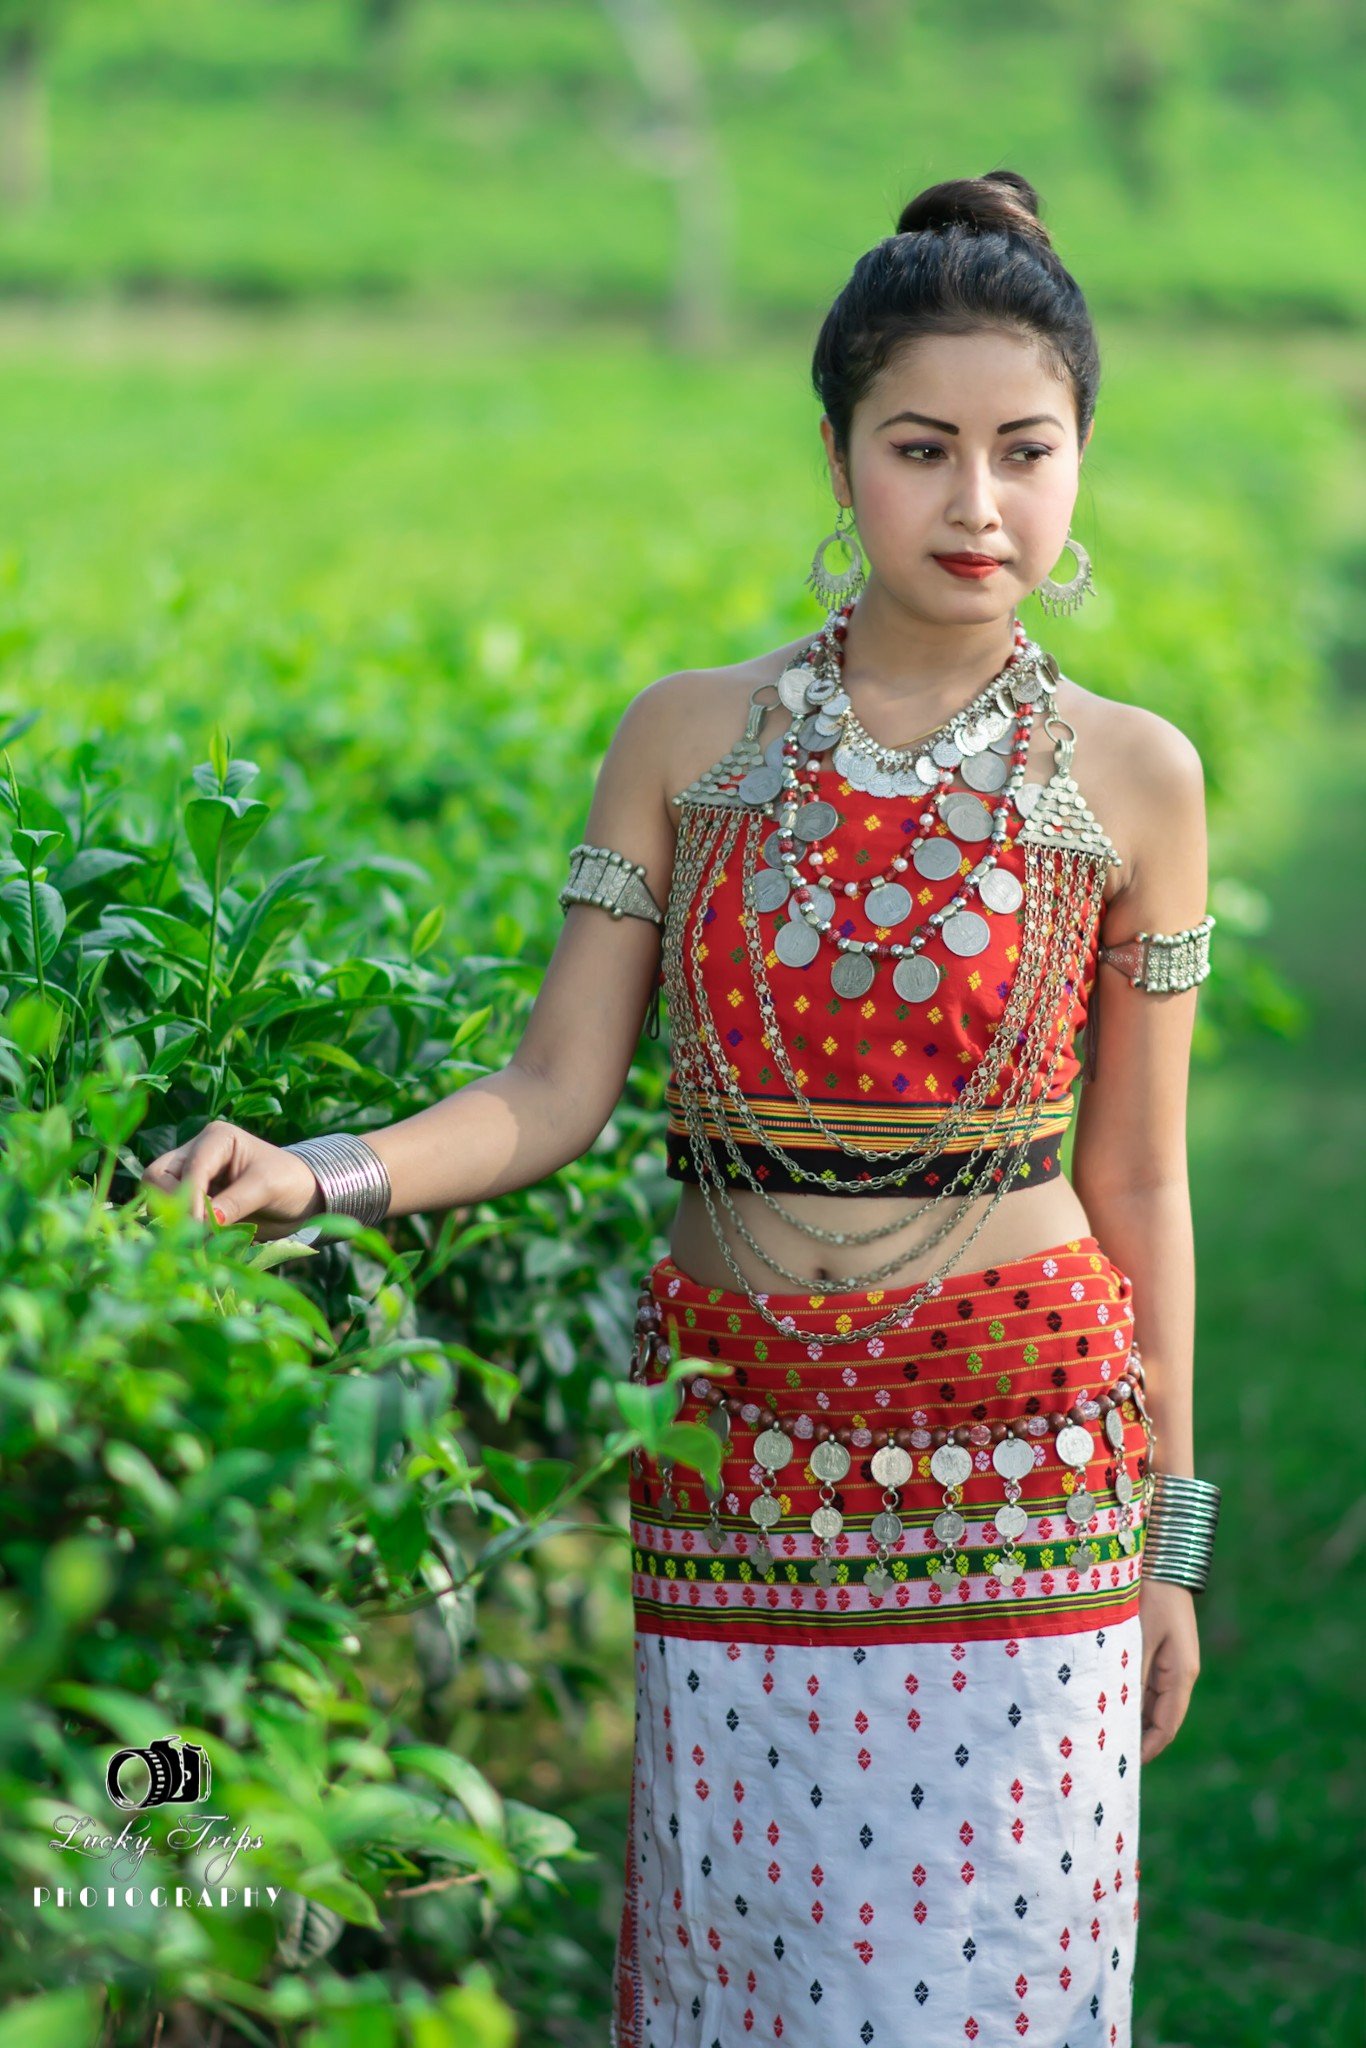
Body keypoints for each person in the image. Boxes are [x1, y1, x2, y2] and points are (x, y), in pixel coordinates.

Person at [140, 168, 1221, 2047]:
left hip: (1027, 1453)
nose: (978, 504)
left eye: (1025, 453)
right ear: (835, 459)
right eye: (920, 447)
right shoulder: (686, 739)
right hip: (737, 1449)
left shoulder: (1134, 778)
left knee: (990, 1990)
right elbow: (554, 1090)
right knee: (762, 1980)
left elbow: (1137, 1172)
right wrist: (316, 1179)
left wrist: (1162, 1544)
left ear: (1079, 465)